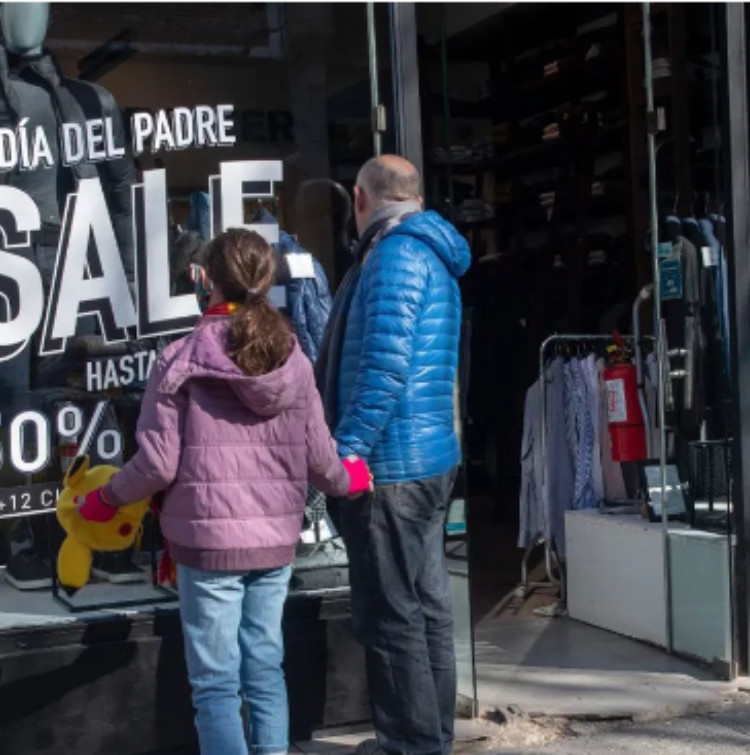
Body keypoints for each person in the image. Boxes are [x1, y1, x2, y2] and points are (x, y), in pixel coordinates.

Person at [76, 228, 372, 755]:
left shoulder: (179, 360)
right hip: (275, 541)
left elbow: (157, 465)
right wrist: (352, 477)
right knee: (264, 668)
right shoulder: (294, 359)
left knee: (215, 683)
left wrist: (103, 500)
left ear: (204, 279)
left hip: (208, 544)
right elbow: (322, 461)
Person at [322, 155, 470, 755]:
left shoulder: (394, 257)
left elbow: (383, 368)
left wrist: (343, 454)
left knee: (392, 617)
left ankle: (410, 744)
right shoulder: (427, 252)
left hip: (392, 467)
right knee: (426, 608)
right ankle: (430, 737)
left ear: (360, 198)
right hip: (428, 457)